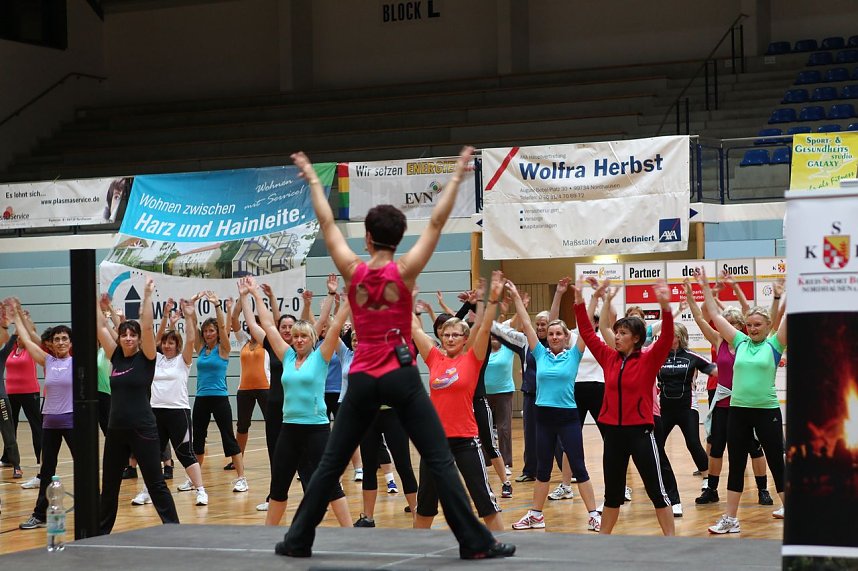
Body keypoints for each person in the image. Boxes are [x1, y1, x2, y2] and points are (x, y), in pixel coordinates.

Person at [276, 147, 513, 560]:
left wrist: (315, 181)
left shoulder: (353, 268)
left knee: (332, 461)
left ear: (367, 238)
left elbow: (327, 221)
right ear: (399, 239)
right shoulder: (405, 270)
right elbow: (438, 221)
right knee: (438, 457)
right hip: (400, 374)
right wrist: (457, 176)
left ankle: (298, 540)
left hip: (364, 375)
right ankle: (474, 542)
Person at [243, 276, 351, 528]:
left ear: (312, 338)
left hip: (316, 429)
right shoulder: (287, 356)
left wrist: (341, 299)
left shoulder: (321, 357)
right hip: (289, 429)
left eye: (304, 336)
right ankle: (269, 533)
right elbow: (269, 325)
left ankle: (350, 532)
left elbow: (331, 326)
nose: (300, 339)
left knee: (330, 483)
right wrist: (255, 295)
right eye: (296, 336)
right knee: (278, 486)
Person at [574, 277, 676, 536]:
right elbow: (587, 332)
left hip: (641, 434)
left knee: (657, 492)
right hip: (613, 435)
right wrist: (582, 299)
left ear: (636, 338)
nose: (616, 337)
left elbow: (666, 339)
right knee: (612, 495)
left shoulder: (649, 359)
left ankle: (672, 542)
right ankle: (604, 542)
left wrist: (666, 307)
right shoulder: (609, 357)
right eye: (616, 332)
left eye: (622, 334)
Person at [411, 271, 505, 531]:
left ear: (465, 339)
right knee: (426, 504)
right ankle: (415, 551)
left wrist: (492, 301)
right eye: (446, 334)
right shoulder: (434, 359)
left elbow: (483, 327)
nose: (450, 338)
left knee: (484, 501)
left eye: (456, 335)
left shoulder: (472, 359)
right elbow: (414, 329)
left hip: (465, 441)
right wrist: (409, 298)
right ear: (441, 337)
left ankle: (503, 551)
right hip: (435, 444)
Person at [694, 269, 787, 534]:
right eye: (750, 324)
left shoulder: (775, 344)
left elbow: (787, 318)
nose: (753, 328)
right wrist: (703, 285)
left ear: (768, 326)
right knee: (736, 465)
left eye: (758, 324)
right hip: (738, 412)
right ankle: (730, 519)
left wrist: (782, 296)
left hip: (767, 411)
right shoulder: (739, 341)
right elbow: (713, 315)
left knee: (775, 462)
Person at [506, 279, 601, 532]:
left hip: (568, 418)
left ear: (567, 337)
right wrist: (516, 295)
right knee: (542, 470)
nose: (555, 336)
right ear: (547, 337)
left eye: (559, 333)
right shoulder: (539, 353)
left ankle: (593, 514)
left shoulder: (574, 355)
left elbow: (587, 325)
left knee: (579, 467)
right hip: (543, 419)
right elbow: (526, 324)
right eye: (551, 333)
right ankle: (536, 514)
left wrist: (590, 298)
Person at [97, 278, 179, 534]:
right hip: (116, 430)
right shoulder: (116, 356)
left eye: (133, 335)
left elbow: (146, 325)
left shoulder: (148, 357)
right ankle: (101, 533)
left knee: (155, 483)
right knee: (109, 485)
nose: (129, 337)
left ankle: (174, 529)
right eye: (125, 334)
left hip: (143, 429)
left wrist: (145, 295)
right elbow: (99, 326)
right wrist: (96, 303)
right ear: (119, 337)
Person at [683, 279, 772, 506]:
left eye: (734, 323)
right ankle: (711, 489)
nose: (728, 326)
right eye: (726, 322)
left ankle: (763, 490)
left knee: (753, 447)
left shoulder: (748, 343)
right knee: (716, 446)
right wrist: (691, 296)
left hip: (746, 402)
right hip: (723, 401)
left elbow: (754, 315)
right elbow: (700, 319)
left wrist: (736, 289)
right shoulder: (717, 340)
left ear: (741, 325)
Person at [131, 297, 209, 507]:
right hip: (155, 412)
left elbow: (191, 339)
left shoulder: (183, 361)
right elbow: (152, 340)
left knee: (185, 453)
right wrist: (165, 316)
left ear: (177, 345)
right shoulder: (155, 360)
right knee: (151, 455)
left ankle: (200, 490)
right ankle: (147, 491)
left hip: (178, 412)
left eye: (171, 342)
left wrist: (189, 315)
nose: (167, 345)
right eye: (165, 342)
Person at [12, 298, 74, 530]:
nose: (60, 342)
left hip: (72, 421)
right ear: (51, 343)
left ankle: (94, 509)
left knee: (83, 466)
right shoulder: (47, 360)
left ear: (70, 342)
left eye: (64, 338)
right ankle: (40, 514)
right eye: (56, 339)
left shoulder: (77, 362)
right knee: (47, 470)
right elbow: (27, 340)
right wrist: (16, 314)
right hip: (50, 422)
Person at [187, 291, 248, 493]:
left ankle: (241, 478)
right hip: (202, 399)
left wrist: (217, 306)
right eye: (206, 331)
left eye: (211, 331)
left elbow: (223, 327)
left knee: (228, 438)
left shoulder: (223, 349)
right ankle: (194, 480)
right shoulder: (200, 348)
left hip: (220, 398)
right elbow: (193, 326)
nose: (208, 333)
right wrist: (192, 305)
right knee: (198, 439)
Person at [656, 322, 714, 479]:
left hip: (687, 408)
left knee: (693, 443)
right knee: (655, 444)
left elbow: (714, 370)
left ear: (679, 337)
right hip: (665, 408)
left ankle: (708, 480)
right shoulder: (658, 356)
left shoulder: (692, 356)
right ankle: (660, 477)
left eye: (671, 335)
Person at [228, 295, 270, 466]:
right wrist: (242, 297)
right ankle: (238, 460)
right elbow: (233, 318)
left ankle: (281, 456)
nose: (255, 328)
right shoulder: (244, 341)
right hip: (244, 389)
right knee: (242, 426)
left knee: (273, 423)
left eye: (259, 325)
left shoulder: (268, 343)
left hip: (265, 388)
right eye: (254, 325)